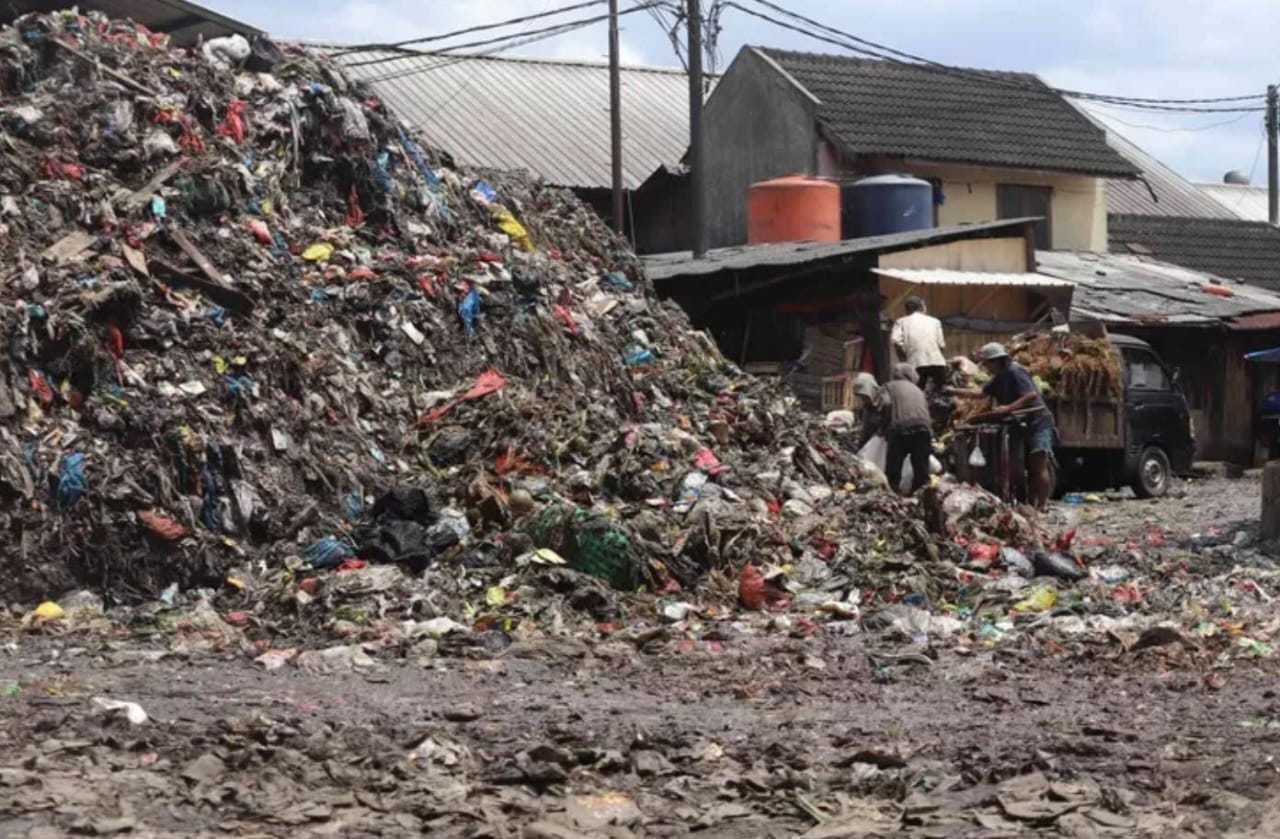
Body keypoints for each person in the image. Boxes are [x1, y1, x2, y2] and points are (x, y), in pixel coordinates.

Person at [949, 342, 1057, 510]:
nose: (985, 367)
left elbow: (1031, 394)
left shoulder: (1015, 371)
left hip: (1038, 422)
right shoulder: (999, 377)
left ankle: (1042, 506)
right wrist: (953, 391)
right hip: (1020, 423)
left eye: (987, 363)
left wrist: (1008, 408)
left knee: (1038, 465)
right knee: (1021, 466)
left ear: (997, 361)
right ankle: (1026, 502)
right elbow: (980, 393)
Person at [878, 364, 933, 495]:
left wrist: (883, 426)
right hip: (924, 428)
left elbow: (885, 404)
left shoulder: (888, 386)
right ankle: (922, 496)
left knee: (894, 466)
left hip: (901, 428)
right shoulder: (918, 389)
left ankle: (892, 494)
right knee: (921, 468)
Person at [890, 296, 947, 394]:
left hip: (915, 363)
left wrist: (902, 358)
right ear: (921, 307)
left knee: (917, 392)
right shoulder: (935, 321)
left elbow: (895, 340)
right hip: (937, 362)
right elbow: (941, 345)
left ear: (907, 309)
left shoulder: (901, 322)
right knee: (942, 392)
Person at [852, 372, 881, 449]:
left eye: (865, 398)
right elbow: (866, 428)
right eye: (862, 398)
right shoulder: (867, 407)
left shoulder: (884, 401)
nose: (863, 401)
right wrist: (860, 443)